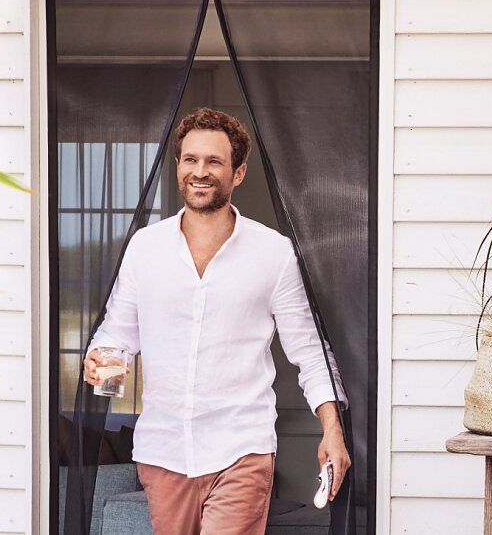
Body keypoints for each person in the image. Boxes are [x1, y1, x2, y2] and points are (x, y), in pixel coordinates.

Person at [83, 107, 349, 535]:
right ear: (178, 167)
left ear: (238, 173)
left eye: (214, 161)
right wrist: (97, 357)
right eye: (190, 159)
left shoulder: (273, 254)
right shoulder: (144, 248)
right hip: (163, 452)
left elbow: (311, 353)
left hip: (242, 449)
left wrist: (332, 430)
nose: (199, 171)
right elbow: (116, 333)